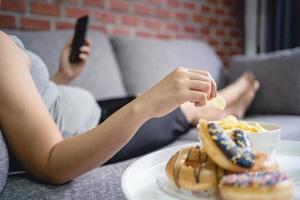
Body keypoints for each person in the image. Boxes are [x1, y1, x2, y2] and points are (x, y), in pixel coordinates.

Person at [0, 30, 259, 184]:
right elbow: (50, 163)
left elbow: (34, 104)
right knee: (188, 108)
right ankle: (238, 90)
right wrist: (147, 103)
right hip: (91, 136)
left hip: (93, 109)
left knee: (144, 95)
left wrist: (62, 76)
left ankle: (233, 105)